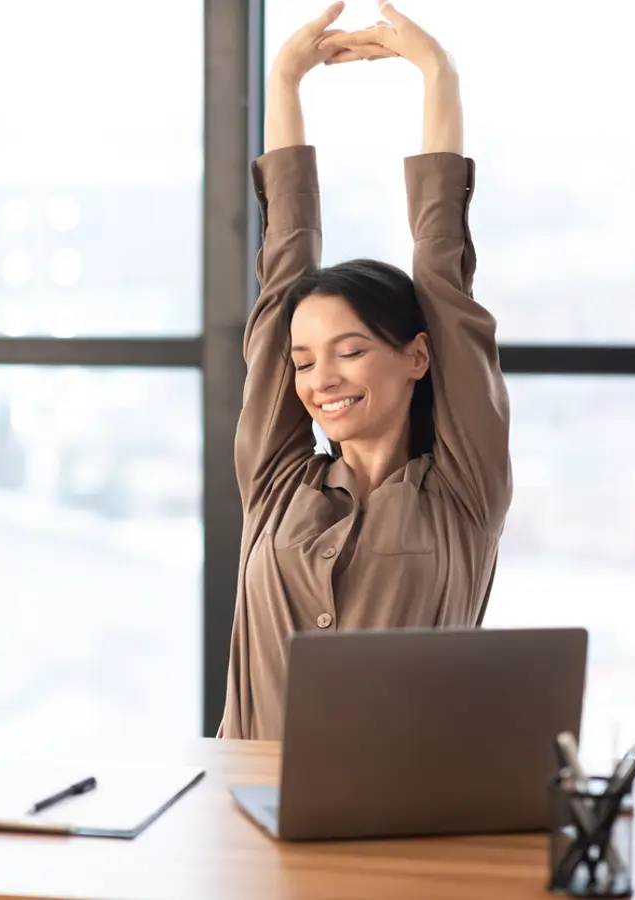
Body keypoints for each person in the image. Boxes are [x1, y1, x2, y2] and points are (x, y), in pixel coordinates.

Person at [219, 1, 513, 740]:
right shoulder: (276, 483)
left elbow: (442, 277)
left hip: (401, 820)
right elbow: (283, 270)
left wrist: (437, 74)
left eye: (350, 350)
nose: (323, 378)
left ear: (416, 356)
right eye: (306, 361)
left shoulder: (462, 493)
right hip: (243, 825)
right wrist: (283, 83)